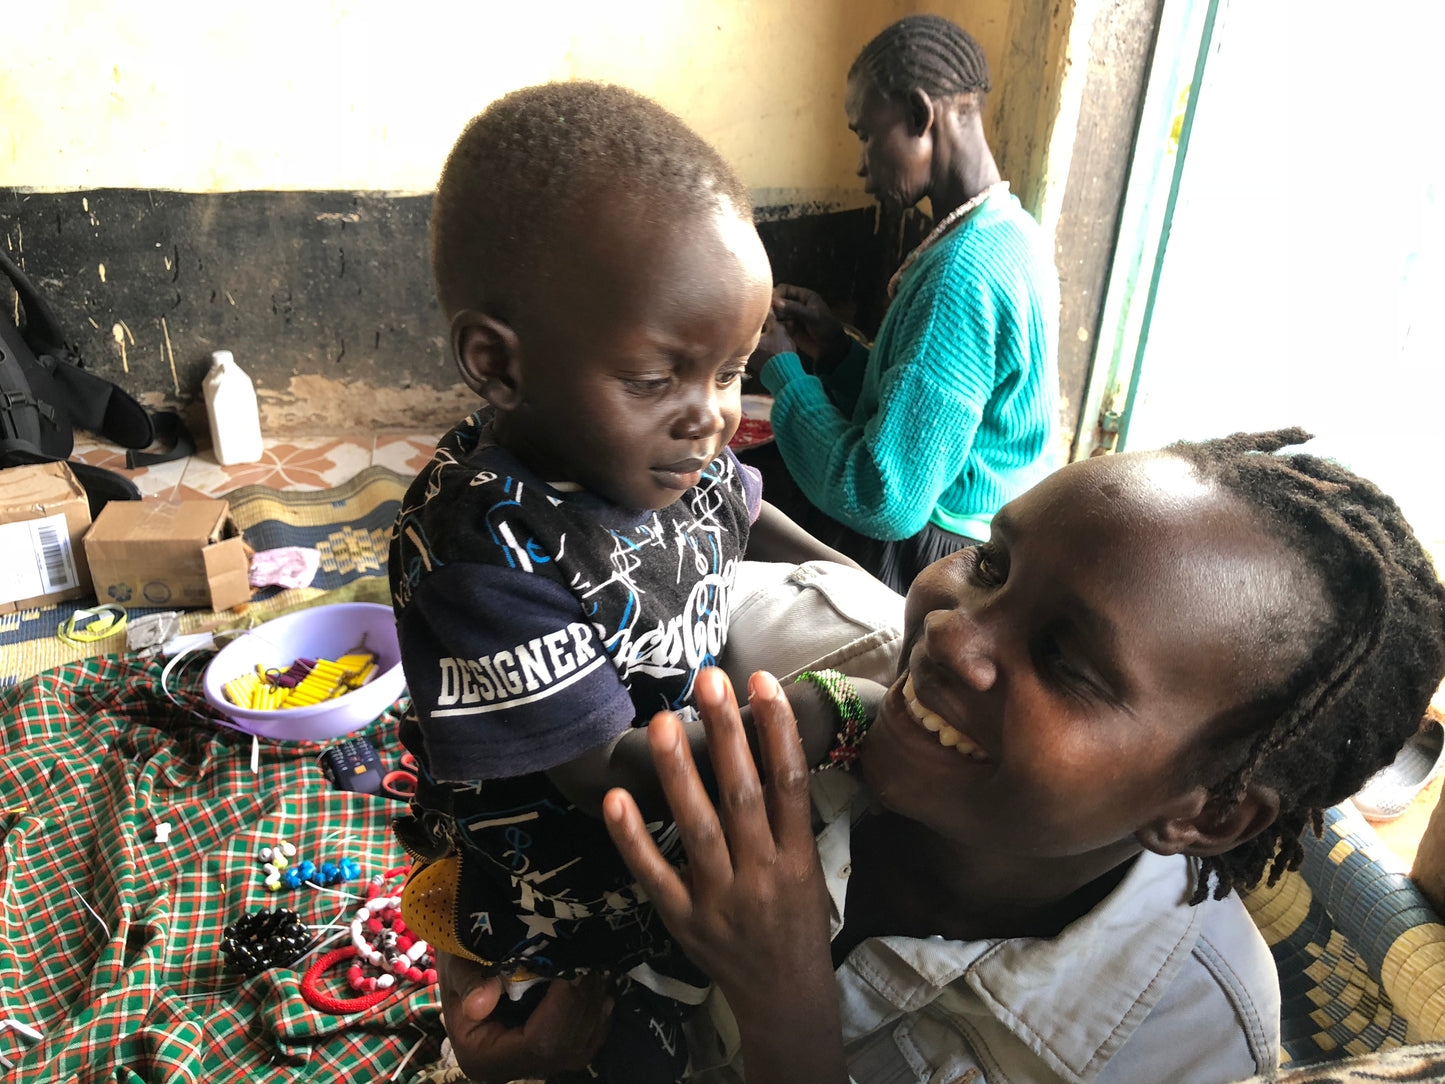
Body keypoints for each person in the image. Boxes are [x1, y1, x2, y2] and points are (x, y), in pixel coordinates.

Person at [426, 428, 1445, 1083]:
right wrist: (530, 1048)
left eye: (1064, 658)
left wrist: (788, 1018)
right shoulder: (817, 679)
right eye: (992, 564)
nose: (953, 633)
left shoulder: (1179, 1042)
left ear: (1209, 814)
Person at [388, 82, 869, 1084]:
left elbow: (747, 508)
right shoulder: (480, 539)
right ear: (499, 364)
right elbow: (597, 771)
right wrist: (825, 715)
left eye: (731, 371)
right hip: (551, 907)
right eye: (658, 379)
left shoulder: (661, 457)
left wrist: (857, 584)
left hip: (666, 863)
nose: (707, 417)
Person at [744, 14, 1061, 593]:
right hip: (977, 529)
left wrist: (784, 374)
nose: (862, 168)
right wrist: (836, 352)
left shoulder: (961, 275)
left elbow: (883, 495)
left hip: (930, 555)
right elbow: (935, 411)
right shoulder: (1010, 231)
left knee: (732, 506)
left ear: (920, 115)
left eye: (866, 134)